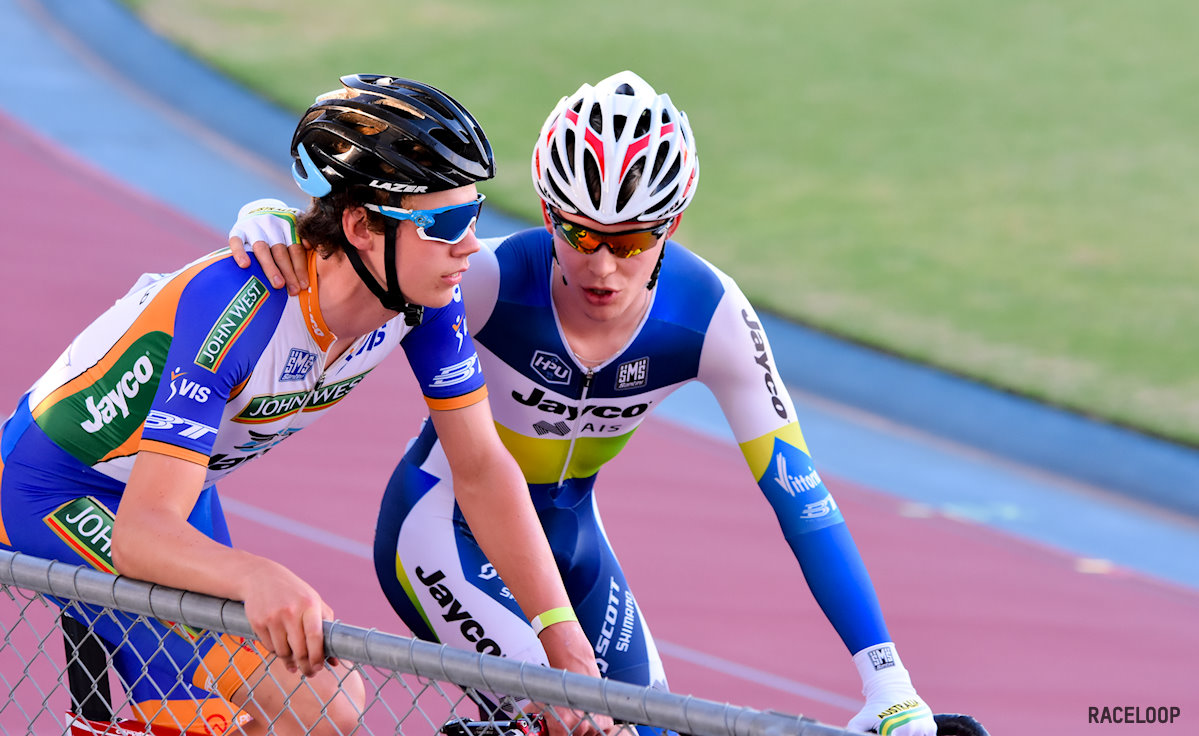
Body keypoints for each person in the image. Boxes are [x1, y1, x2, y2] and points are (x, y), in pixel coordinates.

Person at [230, 71, 938, 736]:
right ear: (546, 212)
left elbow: (801, 500)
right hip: (442, 532)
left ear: (673, 224)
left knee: (651, 725)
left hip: (572, 547)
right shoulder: (486, 278)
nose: (601, 266)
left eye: (630, 240)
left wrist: (888, 685)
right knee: (576, 725)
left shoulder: (712, 315)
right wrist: (273, 220)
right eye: (578, 234)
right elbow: (360, 264)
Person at [0, 74, 606, 736]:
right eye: (446, 223)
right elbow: (140, 534)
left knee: (315, 703)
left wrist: (560, 636)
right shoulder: (240, 305)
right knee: (255, 712)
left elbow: (482, 467)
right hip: (55, 489)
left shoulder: (423, 299)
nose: (468, 246)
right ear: (360, 226)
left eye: (475, 215)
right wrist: (260, 575)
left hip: (172, 487)